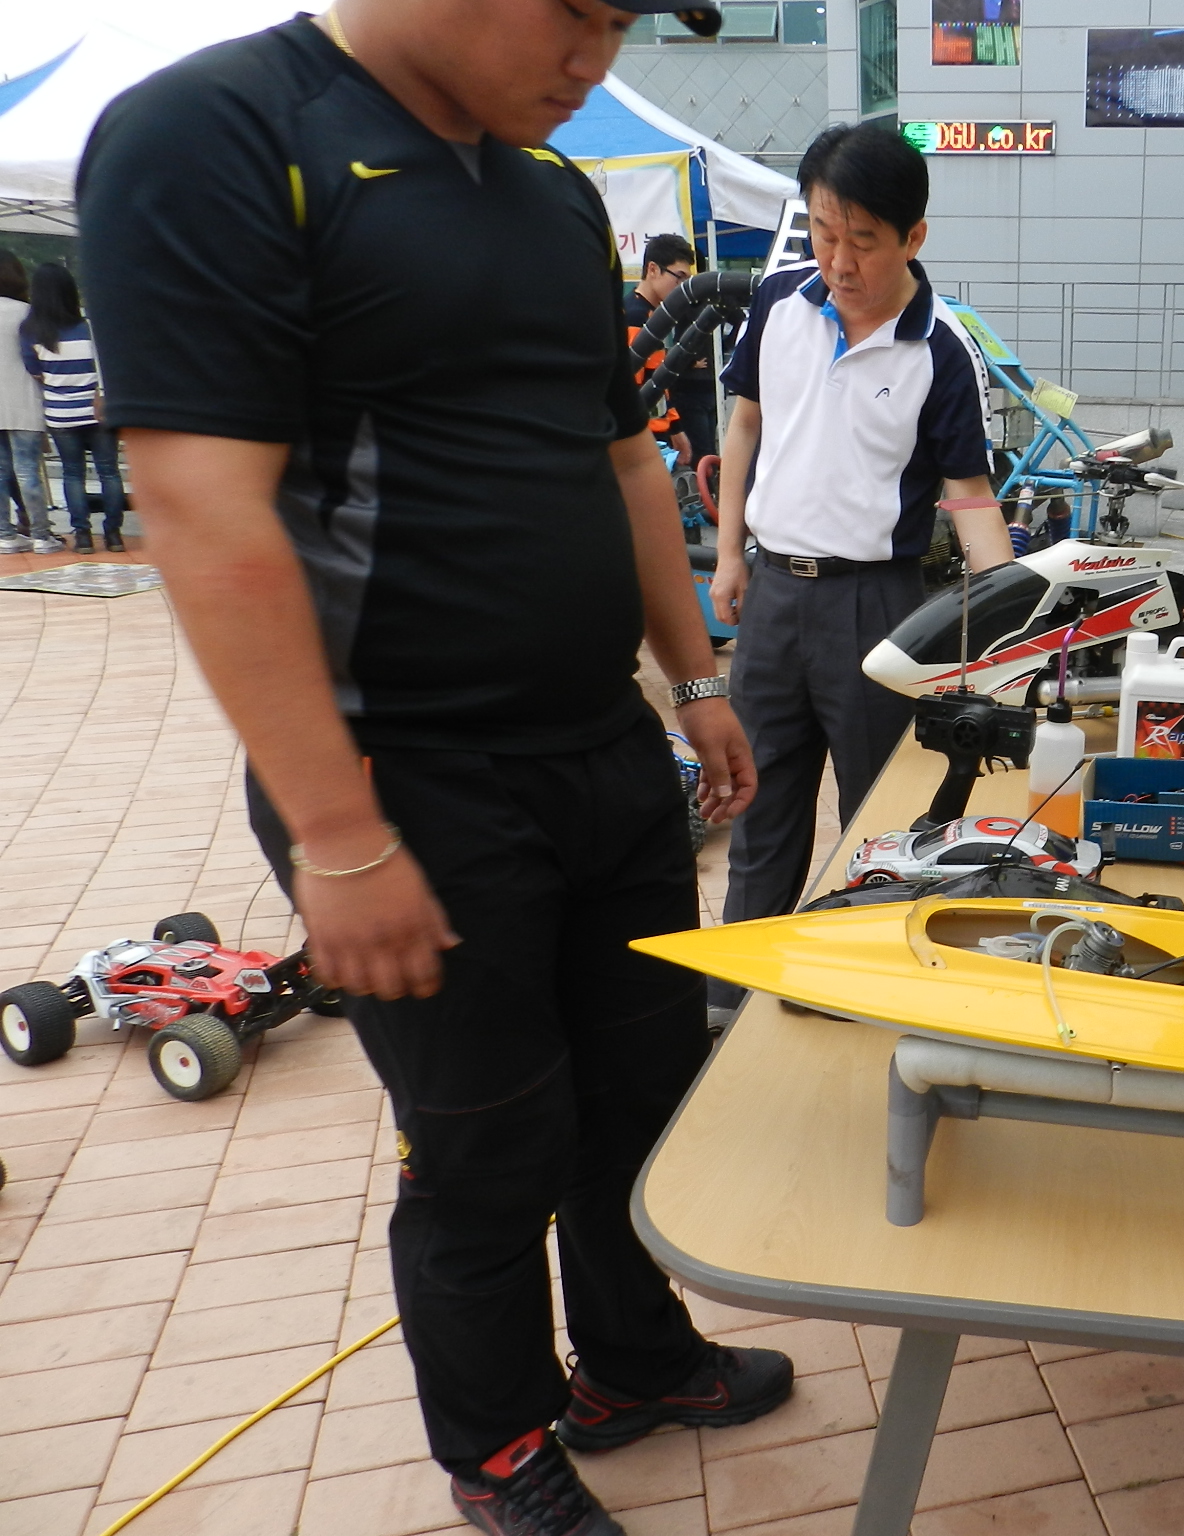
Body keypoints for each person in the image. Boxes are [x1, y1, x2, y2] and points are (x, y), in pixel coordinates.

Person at [78, 5, 789, 1534]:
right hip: (407, 777)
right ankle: (500, 1446)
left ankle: (633, 1362)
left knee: (640, 1092)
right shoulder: (223, 134)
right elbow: (200, 504)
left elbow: (622, 459)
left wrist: (697, 681)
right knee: (488, 1140)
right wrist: (337, 833)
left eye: (621, 21)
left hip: (600, 746)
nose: (596, 56)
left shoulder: (554, 193)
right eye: (574, 9)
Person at [707, 121, 1011, 1019]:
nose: (838, 261)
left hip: (875, 607)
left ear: (914, 237)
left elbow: (968, 494)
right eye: (823, 232)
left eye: (863, 240)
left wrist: (1011, 631)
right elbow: (746, 425)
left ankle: (855, 986)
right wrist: (727, 553)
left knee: (876, 819)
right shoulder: (779, 302)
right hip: (772, 594)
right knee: (761, 809)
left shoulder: (941, 348)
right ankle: (737, 995)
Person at [21, 262, 128, 552]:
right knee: (108, 472)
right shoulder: (89, 328)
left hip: (60, 414)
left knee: (72, 473)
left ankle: (82, 536)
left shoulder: (31, 331)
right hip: (98, 410)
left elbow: (36, 372)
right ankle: (114, 535)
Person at [622, 233, 718, 467]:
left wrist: (675, 427)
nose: (683, 287)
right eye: (679, 277)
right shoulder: (635, 316)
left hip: (656, 432)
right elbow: (632, 387)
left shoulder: (652, 314)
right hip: (643, 437)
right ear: (653, 270)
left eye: (688, 280)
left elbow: (658, 380)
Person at [0, 251, 61, 554]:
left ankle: (5, 535)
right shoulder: (29, 313)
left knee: (0, 473)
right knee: (27, 471)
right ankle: (41, 535)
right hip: (25, 401)